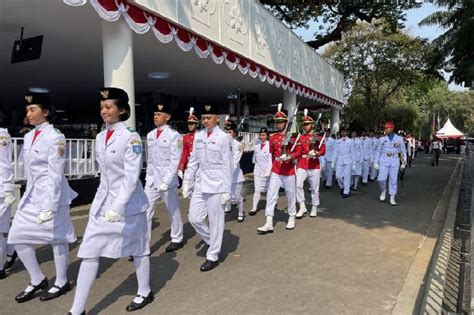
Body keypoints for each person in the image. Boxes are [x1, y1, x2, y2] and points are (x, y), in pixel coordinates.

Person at [69, 88, 153, 314]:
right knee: (89, 251)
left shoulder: (130, 137)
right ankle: (77, 309)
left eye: (108, 107)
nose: (103, 111)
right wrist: (101, 204)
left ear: (122, 109)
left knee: (138, 249)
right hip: (103, 204)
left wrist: (118, 206)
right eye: (101, 107)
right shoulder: (98, 137)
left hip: (129, 205)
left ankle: (144, 291)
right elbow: (104, 176)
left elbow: (131, 175)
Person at [8, 92, 77, 303]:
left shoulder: (55, 137)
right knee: (17, 236)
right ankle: (37, 278)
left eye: (32, 109)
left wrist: (50, 204)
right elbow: (25, 167)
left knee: (57, 238)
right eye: (27, 110)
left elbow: (56, 174)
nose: (28, 113)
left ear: (45, 112)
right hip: (32, 193)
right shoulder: (29, 136)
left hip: (52, 193)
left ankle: (62, 281)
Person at [181, 104, 232, 272]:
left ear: (217, 118)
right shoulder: (199, 136)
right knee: (194, 218)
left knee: (215, 221)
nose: (205, 121)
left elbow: (227, 165)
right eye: (203, 118)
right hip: (201, 182)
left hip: (217, 184)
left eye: (209, 118)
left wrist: (227, 190)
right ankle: (212, 241)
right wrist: (187, 181)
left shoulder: (224, 137)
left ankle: (213, 255)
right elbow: (193, 160)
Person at [144, 102, 184, 252]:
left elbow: (175, 161)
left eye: (159, 114)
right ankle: (143, 246)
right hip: (153, 180)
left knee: (172, 209)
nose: (156, 117)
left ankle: (177, 238)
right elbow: (150, 160)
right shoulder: (150, 135)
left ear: (167, 117)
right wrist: (148, 179)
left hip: (167, 180)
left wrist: (166, 181)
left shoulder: (174, 136)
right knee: (146, 211)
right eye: (154, 114)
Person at [257, 104, 301, 234]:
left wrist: (290, 156)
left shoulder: (293, 137)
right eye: (277, 122)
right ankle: (269, 221)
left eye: (281, 122)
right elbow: (272, 155)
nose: (279, 124)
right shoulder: (273, 138)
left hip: (288, 171)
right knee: (271, 195)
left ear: (286, 122)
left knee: (291, 195)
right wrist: (270, 169)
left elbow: (299, 152)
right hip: (276, 170)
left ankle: (292, 216)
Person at [295, 110, 325, 218]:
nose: (305, 126)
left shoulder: (318, 137)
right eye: (304, 124)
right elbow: (298, 151)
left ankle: (314, 206)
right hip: (303, 164)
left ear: (312, 125)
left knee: (314, 188)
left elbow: (323, 150)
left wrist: (316, 153)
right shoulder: (301, 137)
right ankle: (302, 206)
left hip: (314, 165)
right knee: (297, 184)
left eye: (307, 124)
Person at [374, 121, 407, 206]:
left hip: (394, 159)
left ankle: (392, 196)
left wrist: (404, 162)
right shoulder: (382, 139)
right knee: (381, 179)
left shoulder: (399, 139)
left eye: (386, 128)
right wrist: (376, 162)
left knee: (393, 179)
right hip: (384, 159)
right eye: (385, 128)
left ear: (392, 128)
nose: (385, 129)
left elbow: (403, 152)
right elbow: (378, 151)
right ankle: (383, 190)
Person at [0, 128, 16, 279]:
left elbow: (5, 164)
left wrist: (7, 190)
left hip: (0, 190)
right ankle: (12, 248)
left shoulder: (1, 134)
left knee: (0, 229)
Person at [224, 117, 245, 222]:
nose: (228, 134)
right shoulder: (223, 144)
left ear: (234, 133)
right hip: (226, 176)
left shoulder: (238, 145)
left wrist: (227, 171)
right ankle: (227, 208)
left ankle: (241, 213)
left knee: (235, 197)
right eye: (226, 131)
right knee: (225, 196)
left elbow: (235, 162)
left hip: (235, 176)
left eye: (230, 132)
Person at [249, 128, 272, 216]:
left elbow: (270, 160)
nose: (261, 137)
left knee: (268, 190)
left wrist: (268, 172)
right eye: (260, 135)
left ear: (267, 136)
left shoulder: (270, 146)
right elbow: (254, 159)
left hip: (267, 171)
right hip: (258, 171)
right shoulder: (257, 145)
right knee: (257, 190)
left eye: (263, 135)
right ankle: (254, 208)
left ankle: (271, 205)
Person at [178, 107, 199, 180]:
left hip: (200, 168)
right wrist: (181, 168)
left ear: (197, 125)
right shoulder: (185, 137)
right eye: (189, 123)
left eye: (192, 123)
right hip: (189, 167)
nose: (190, 125)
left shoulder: (201, 136)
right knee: (186, 190)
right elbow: (184, 153)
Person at [332, 127, 353, 198]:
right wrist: (333, 161)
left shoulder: (350, 141)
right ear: (340, 133)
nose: (343, 133)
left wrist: (354, 163)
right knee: (338, 176)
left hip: (348, 161)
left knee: (347, 177)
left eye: (345, 132)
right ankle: (342, 186)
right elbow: (335, 152)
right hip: (339, 160)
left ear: (347, 133)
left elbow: (353, 153)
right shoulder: (337, 141)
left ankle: (346, 191)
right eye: (342, 132)